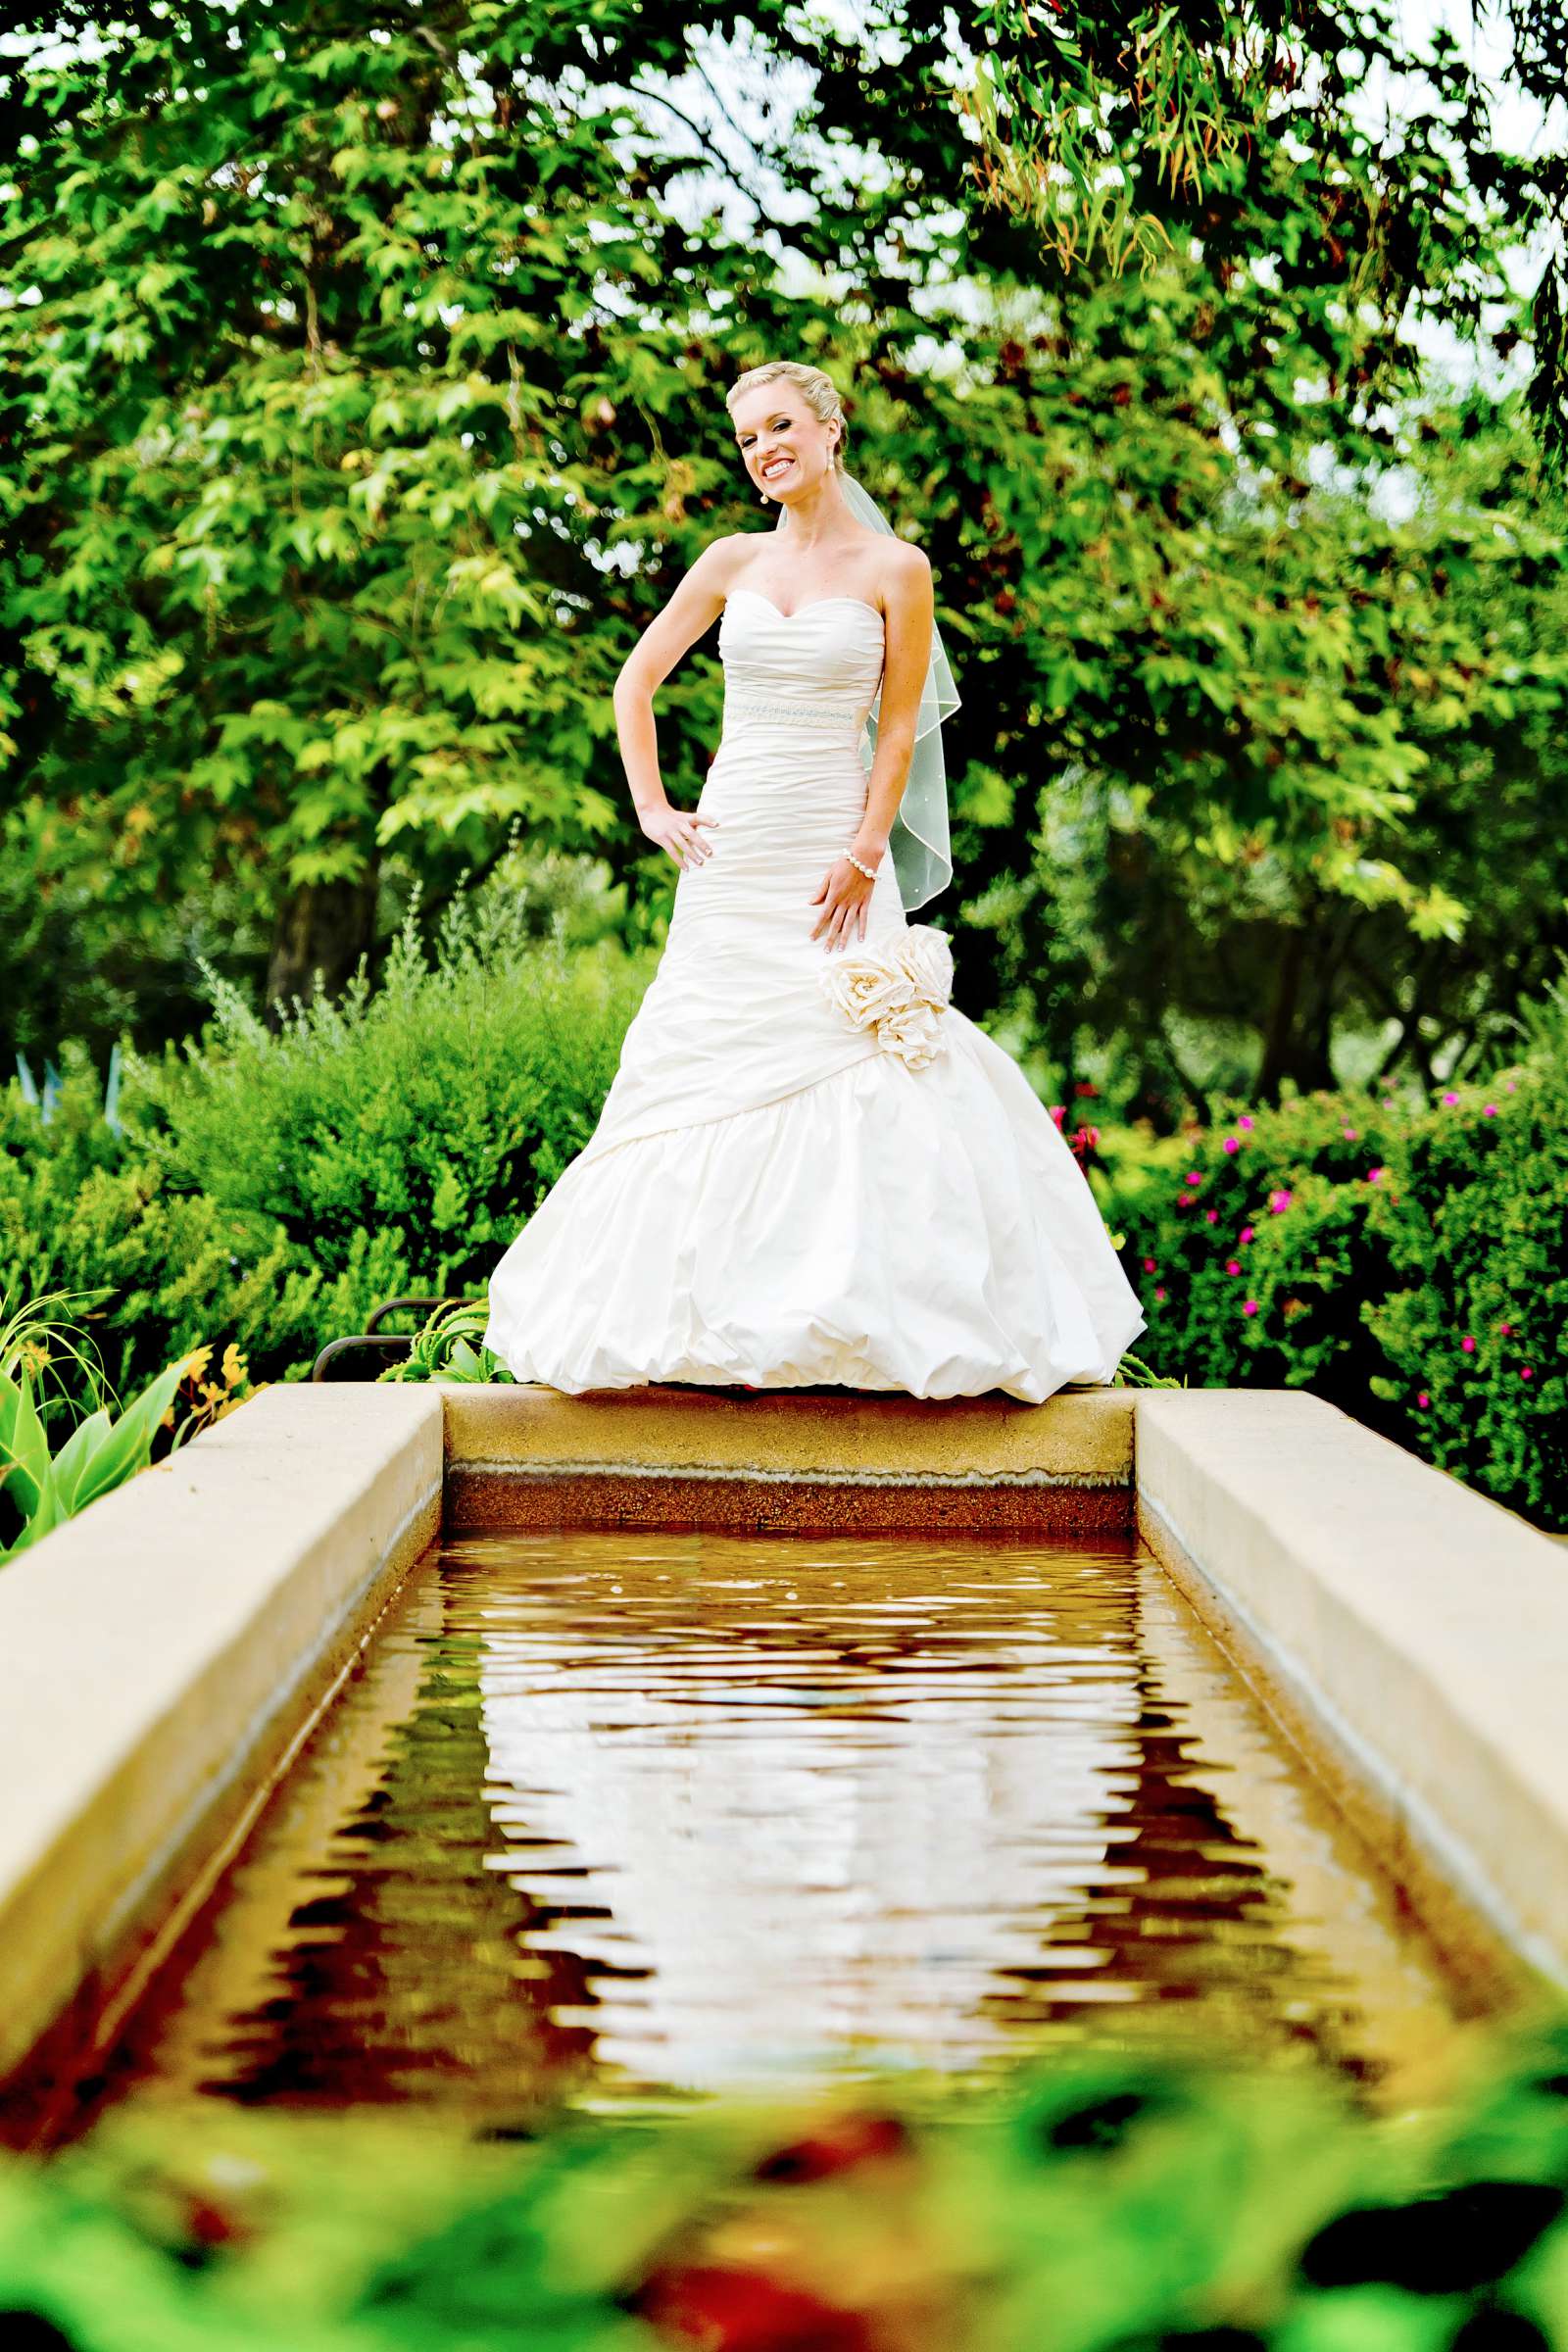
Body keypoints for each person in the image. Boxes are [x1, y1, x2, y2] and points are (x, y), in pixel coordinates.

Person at [484, 359, 1145, 1398]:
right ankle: (704, 1324)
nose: (764, 450)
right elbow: (635, 682)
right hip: (733, 846)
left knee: (860, 1062)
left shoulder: (897, 570)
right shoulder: (729, 560)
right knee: (697, 1061)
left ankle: (867, 1323)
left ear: (832, 430)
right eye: (748, 439)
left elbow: (896, 729)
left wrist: (864, 854)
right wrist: (655, 810)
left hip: (834, 849)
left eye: (781, 426)